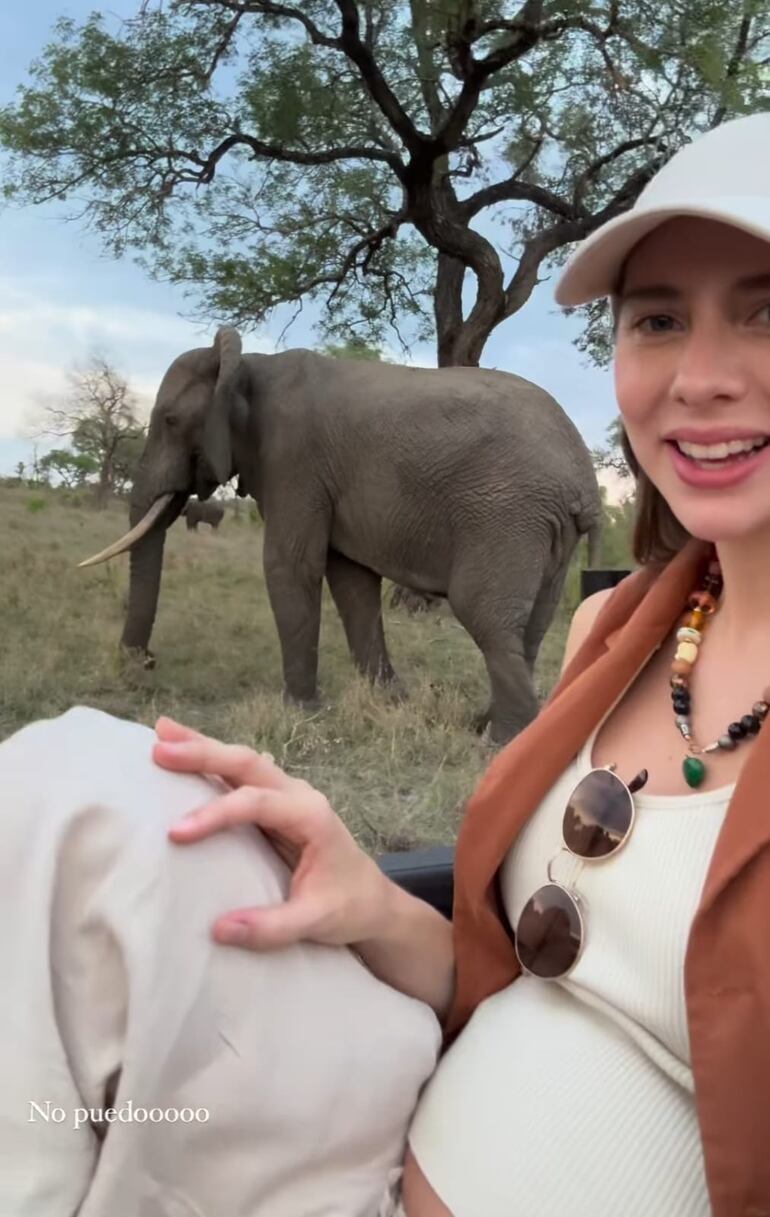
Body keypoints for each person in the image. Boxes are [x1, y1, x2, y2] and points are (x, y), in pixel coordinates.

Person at [3, 109, 770, 1216]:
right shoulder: (623, 634)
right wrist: (366, 896)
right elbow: (532, 970)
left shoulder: (311, 418)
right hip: (388, 1138)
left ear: (219, 419)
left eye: (764, 313)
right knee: (71, 785)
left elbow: (296, 570)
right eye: (655, 318)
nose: (698, 377)